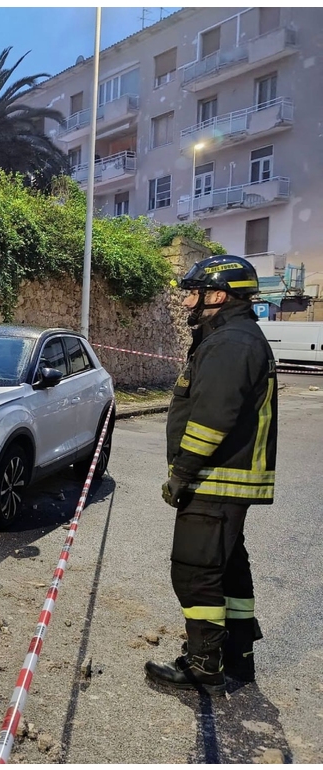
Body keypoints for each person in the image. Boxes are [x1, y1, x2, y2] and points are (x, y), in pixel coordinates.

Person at [145, 255, 277, 694]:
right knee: (228, 569)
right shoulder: (233, 337)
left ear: (218, 295)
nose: (187, 303)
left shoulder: (230, 343)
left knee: (194, 572)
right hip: (227, 481)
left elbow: (212, 418)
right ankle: (238, 657)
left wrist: (182, 473)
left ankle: (204, 665)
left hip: (215, 480)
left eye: (194, 294)